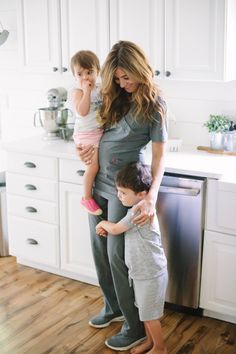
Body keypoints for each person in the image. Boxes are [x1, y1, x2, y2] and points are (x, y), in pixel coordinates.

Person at [77, 40, 168, 351]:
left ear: (140, 70)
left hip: (124, 188)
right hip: (96, 180)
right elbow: (92, 128)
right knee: (99, 250)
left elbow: (159, 156)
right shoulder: (112, 96)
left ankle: (134, 325)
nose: (122, 83)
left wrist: (151, 196)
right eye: (116, 78)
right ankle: (112, 307)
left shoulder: (154, 105)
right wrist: (83, 148)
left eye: (126, 77)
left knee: (118, 255)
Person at [96, 162, 168, 354]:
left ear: (142, 194)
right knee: (144, 312)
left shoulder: (139, 211)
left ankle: (160, 348)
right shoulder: (135, 209)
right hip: (141, 272)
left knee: (150, 316)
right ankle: (149, 342)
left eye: (123, 192)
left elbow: (117, 229)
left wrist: (102, 223)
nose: (119, 196)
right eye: (118, 191)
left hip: (151, 274)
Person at [71, 50, 103, 215]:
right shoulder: (78, 92)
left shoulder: (101, 89)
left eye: (89, 72)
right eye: (80, 74)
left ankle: (88, 196)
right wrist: (87, 92)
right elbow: (82, 112)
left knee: (95, 166)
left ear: (98, 72)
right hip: (85, 134)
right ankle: (86, 197)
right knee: (93, 167)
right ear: (74, 76)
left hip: (97, 132)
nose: (85, 77)